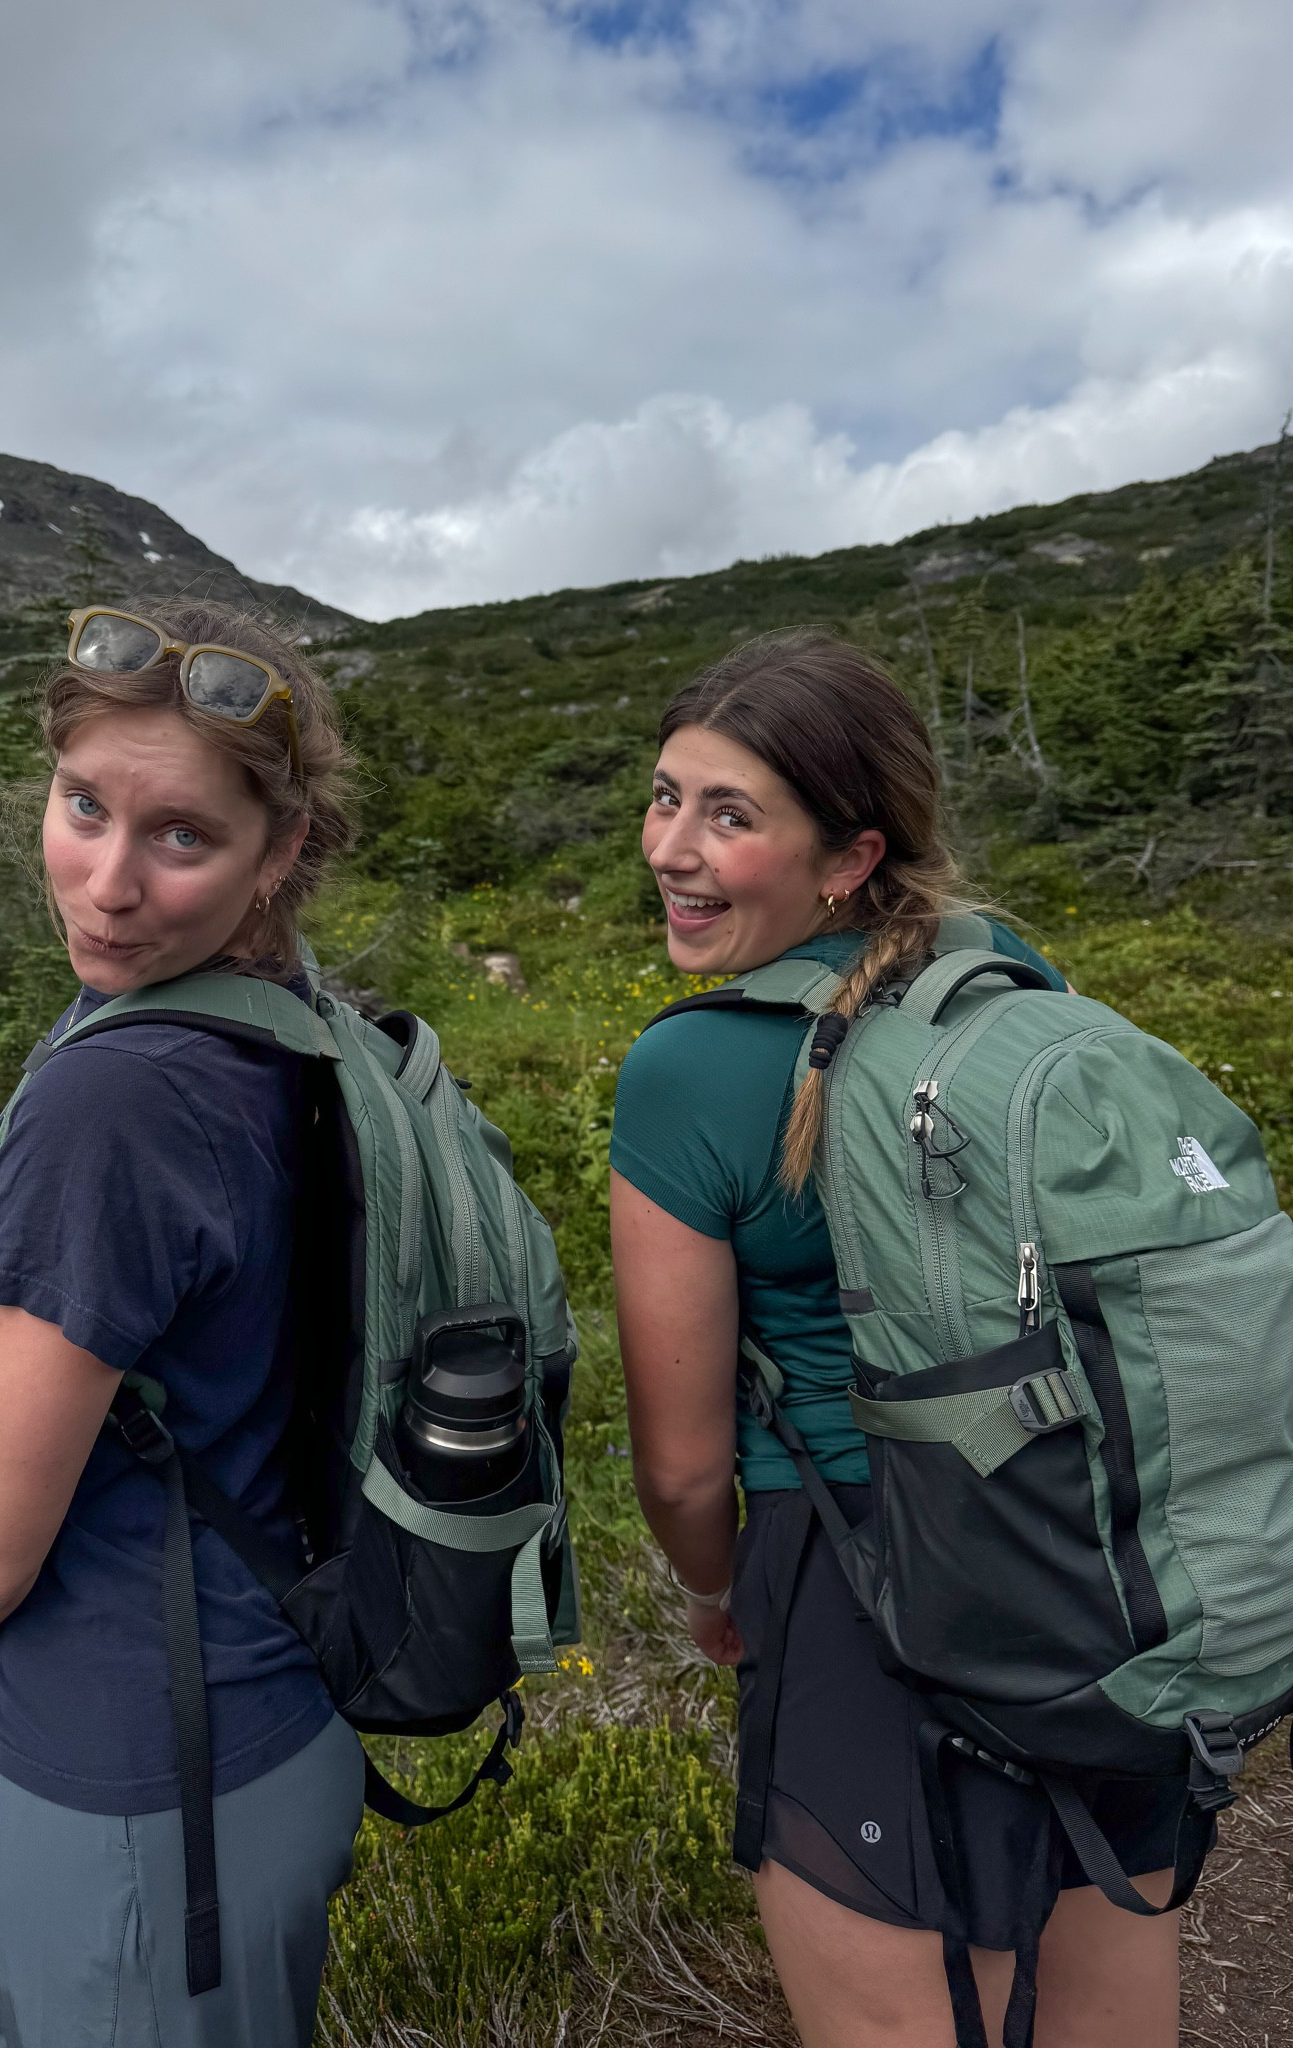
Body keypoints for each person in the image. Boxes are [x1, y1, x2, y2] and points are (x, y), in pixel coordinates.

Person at [609, 629, 1189, 2048]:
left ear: (850, 855)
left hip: (856, 1583)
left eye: (731, 815)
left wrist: (711, 1596)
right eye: (669, 795)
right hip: (1087, 1568)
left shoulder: (687, 1071)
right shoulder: (1013, 981)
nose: (673, 848)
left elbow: (685, 1468)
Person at [0, 599, 363, 2048]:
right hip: (168, 1728)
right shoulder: (282, 1018)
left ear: (279, 855)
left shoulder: (123, 1097)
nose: (108, 883)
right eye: (85, 807)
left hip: (151, 1789)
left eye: (182, 838)